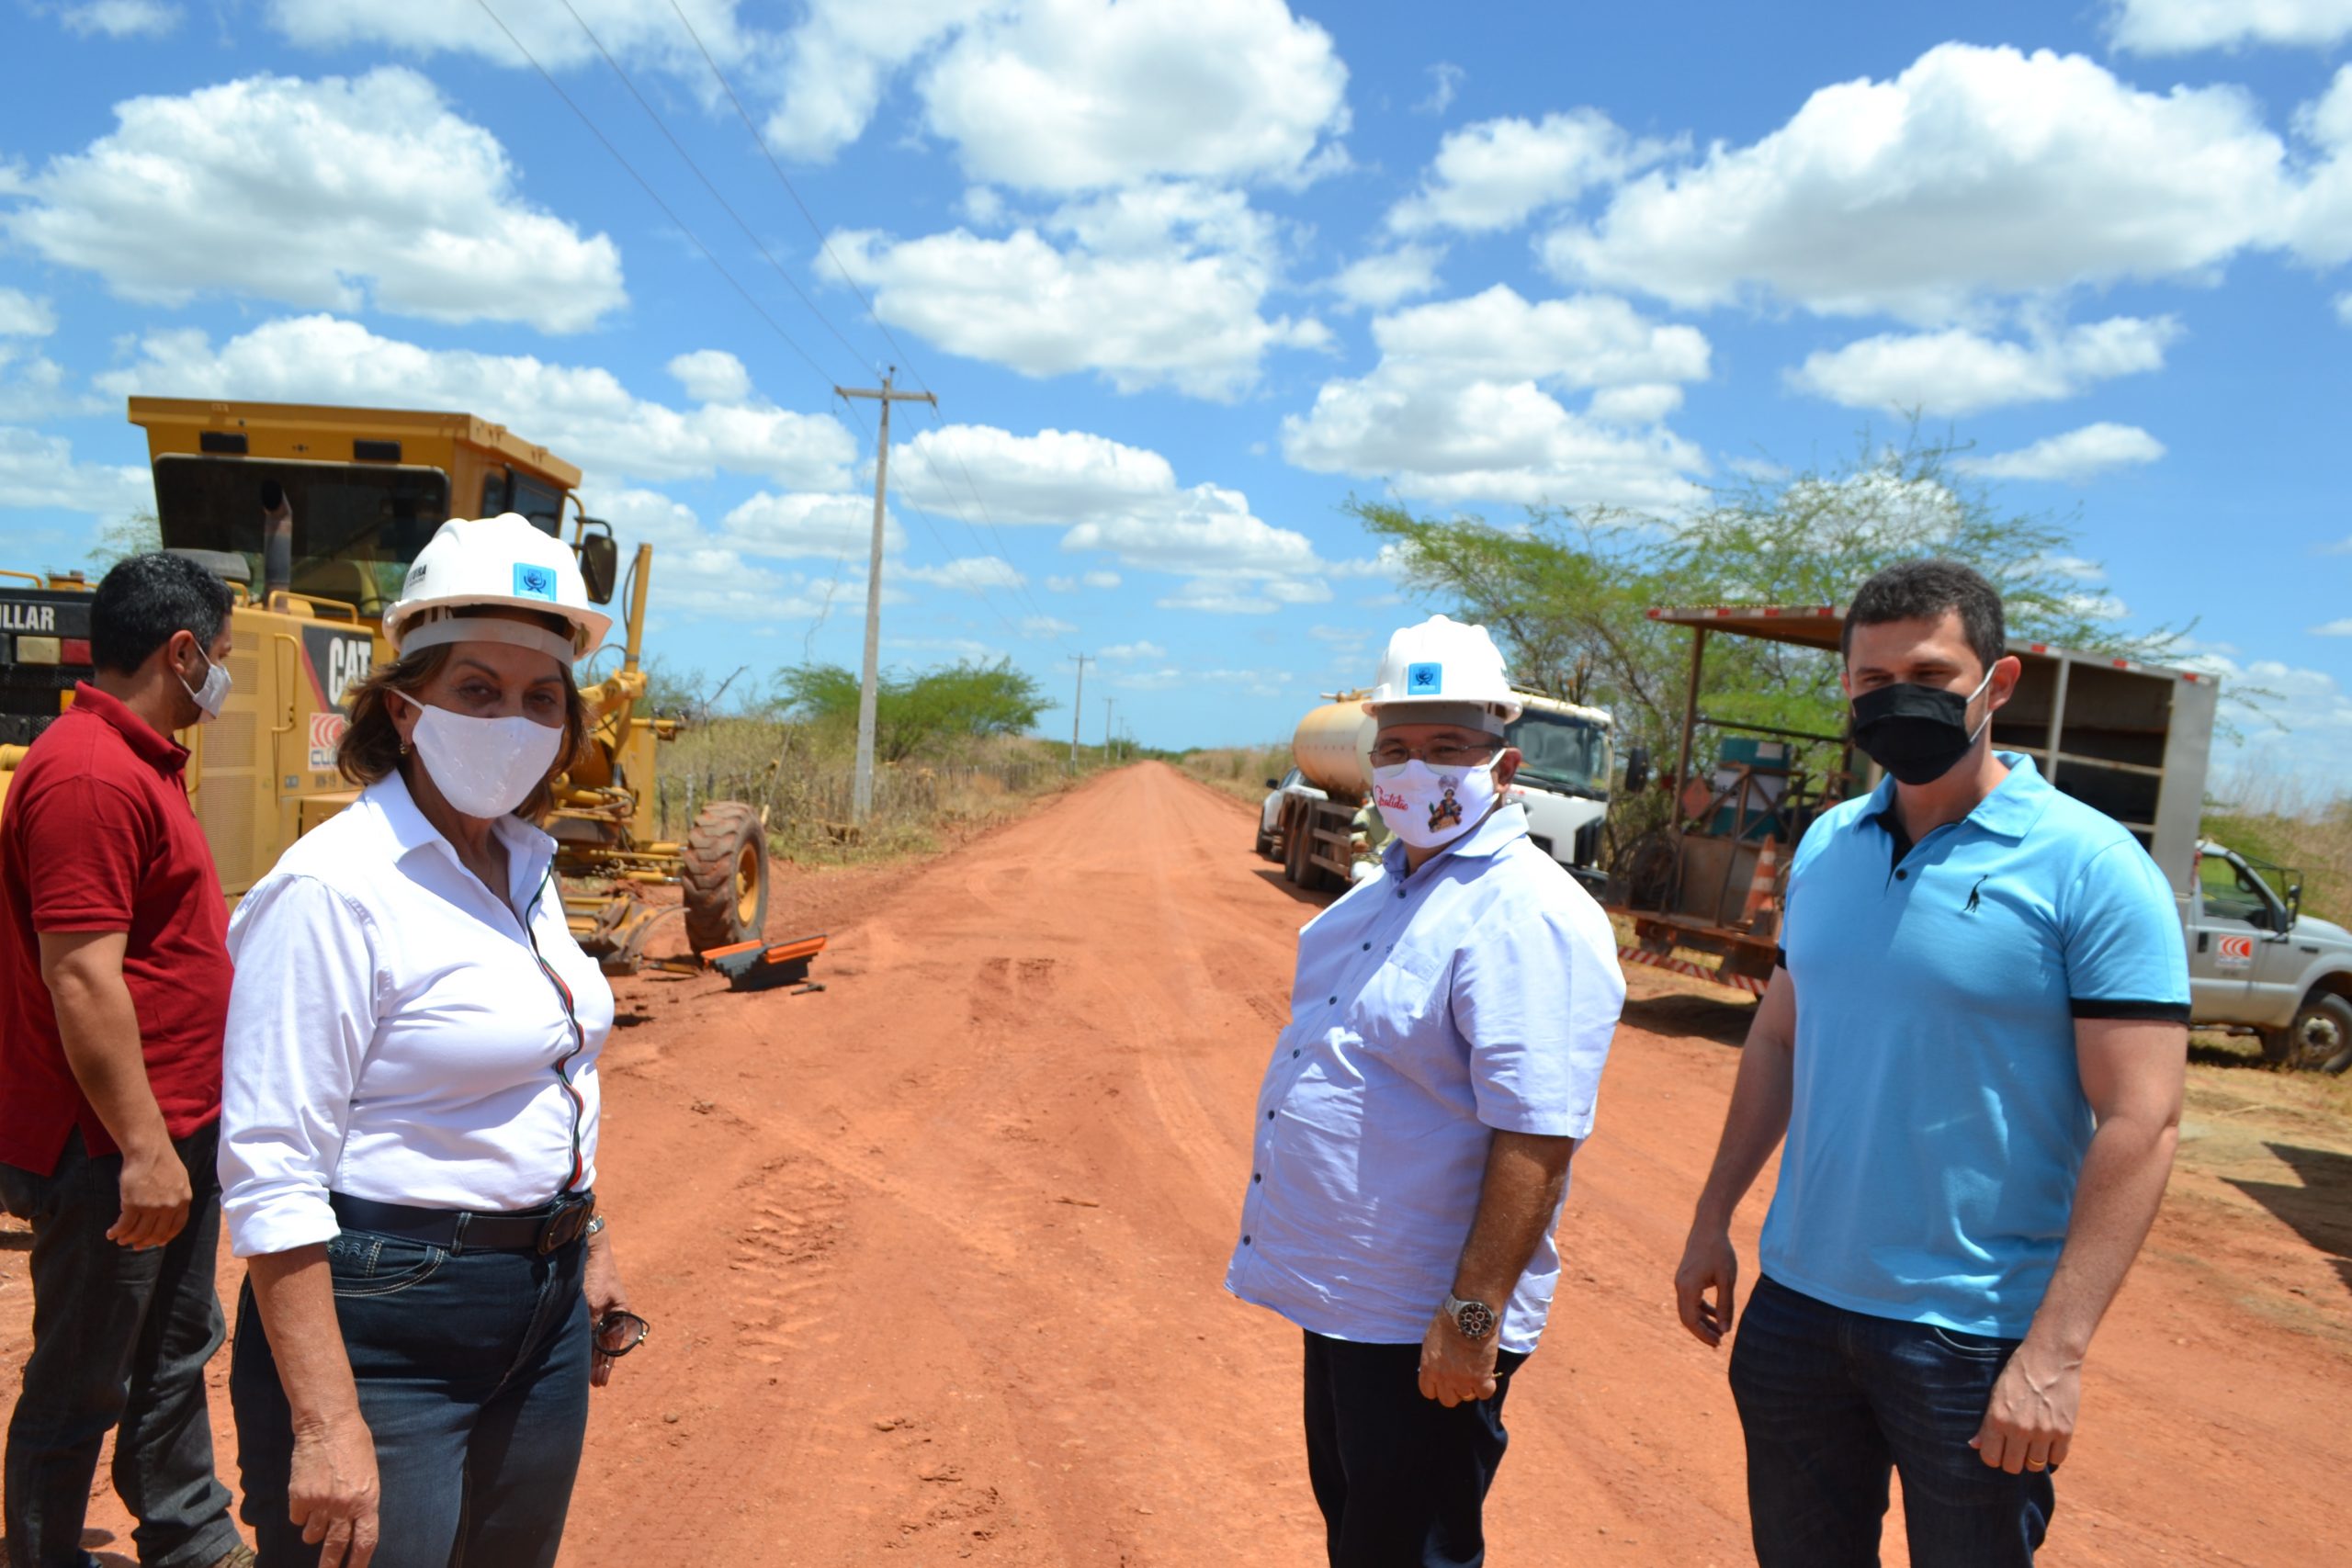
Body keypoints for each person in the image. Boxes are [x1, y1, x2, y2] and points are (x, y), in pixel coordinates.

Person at [1672, 558, 2190, 1567]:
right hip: (1798, 1313)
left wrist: (2055, 1351)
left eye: (1929, 671)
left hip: (1973, 1339)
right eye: (1870, 680)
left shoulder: (2090, 867)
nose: (1895, 697)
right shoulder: (1826, 846)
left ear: (1997, 685)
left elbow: (2143, 1118)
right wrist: (1709, 1220)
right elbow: (1780, 1037)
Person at [217, 515, 645, 1568]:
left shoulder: (526, 868)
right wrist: (327, 1425)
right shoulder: (333, 890)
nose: (514, 720)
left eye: (541, 698)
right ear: (404, 711)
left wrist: (582, 1242)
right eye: (478, 691)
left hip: (539, 1319)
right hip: (383, 1328)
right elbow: (272, 1176)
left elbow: (553, 1072)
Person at [1227, 615, 1624, 1568]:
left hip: (1428, 1318)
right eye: (1397, 748)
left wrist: (1471, 1316)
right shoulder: (1376, 897)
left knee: (1411, 1551)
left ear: (1504, 765)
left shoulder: (1529, 914)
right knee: (1362, 1534)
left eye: (1448, 748)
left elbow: (1536, 1136)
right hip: (1350, 1298)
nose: (1417, 770)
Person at [0, 552, 252, 1568]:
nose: (224, 681)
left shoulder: (139, 760)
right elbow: (83, 981)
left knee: (172, 1349)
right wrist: (144, 1150)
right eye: (223, 658)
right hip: (110, 1143)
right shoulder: (90, 775)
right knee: (82, 1373)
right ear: (181, 651)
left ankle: (188, 1534)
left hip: (170, 1124)